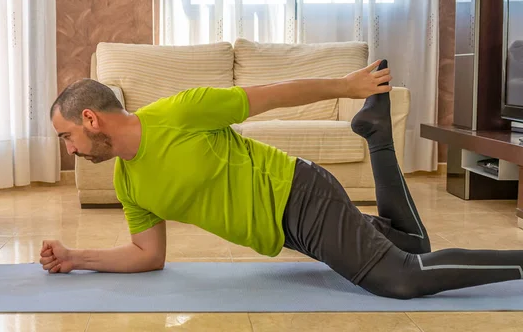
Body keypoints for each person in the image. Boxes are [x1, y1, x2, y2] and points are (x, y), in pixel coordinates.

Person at [41, 59, 523, 300]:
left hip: (300, 194)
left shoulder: (177, 114)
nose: (70, 150)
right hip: (292, 229)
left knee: (398, 279)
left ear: (90, 119)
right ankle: (376, 136)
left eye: (67, 137)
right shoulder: (128, 183)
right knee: (412, 248)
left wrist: (347, 87)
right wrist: (75, 258)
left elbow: (270, 96)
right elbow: (149, 255)